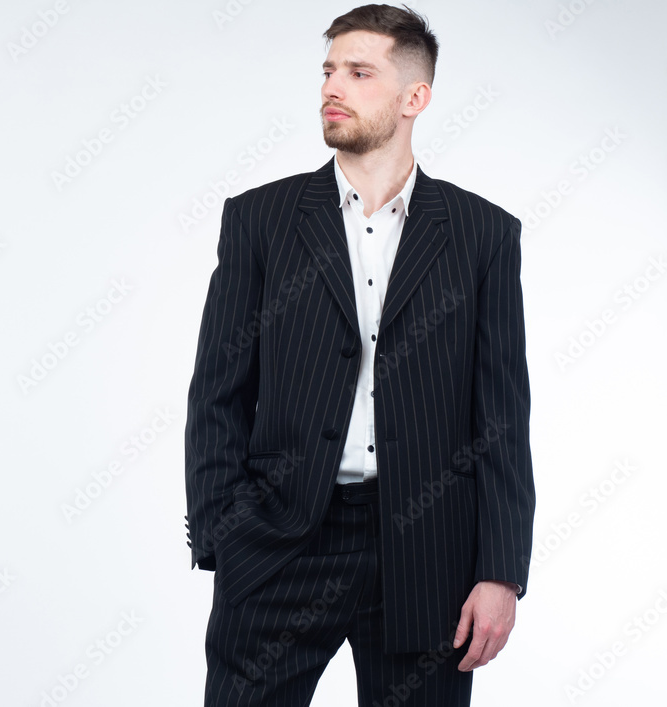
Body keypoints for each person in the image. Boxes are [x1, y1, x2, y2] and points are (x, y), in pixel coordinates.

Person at [183, 4, 535, 705]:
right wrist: (227, 531)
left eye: (359, 72)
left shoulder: (483, 234)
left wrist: (501, 570)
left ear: (415, 97)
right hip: (281, 541)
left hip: (427, 551)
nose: (332, 87)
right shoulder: (259, 219)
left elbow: (501, 416)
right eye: (328, 70)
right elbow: (218, 391)